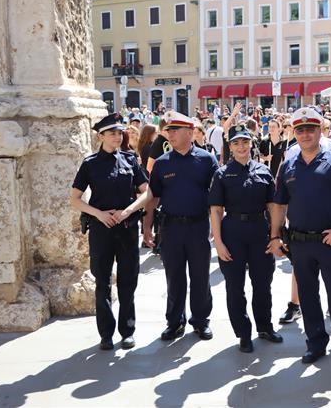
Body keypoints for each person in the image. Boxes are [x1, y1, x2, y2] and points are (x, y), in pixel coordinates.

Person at [267, 107, 331, 369]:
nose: (306, 134)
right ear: (294, 133)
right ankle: (316, 343)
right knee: (308, 297)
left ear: (320, 131)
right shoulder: (288, 165)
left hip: (329, 240)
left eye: (311, 129)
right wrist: (275, 236)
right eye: (300, 130)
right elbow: (279, 205)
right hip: (299, 243)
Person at [69, 113, 148, 351]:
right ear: (101, 136)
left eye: (119, 132)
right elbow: (75, 199)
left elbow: (146, 191)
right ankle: (106, 334)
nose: (117, 136)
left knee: (128, 281)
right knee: (102, 282)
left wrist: (128, 210)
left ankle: (127, 331)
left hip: (126, 228)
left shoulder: (130, 159)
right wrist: (98, 214)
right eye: (112, 133)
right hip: (101, 229)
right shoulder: (90, 163)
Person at [142, 111, 219, 342]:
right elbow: (152, 198)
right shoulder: (163, 163)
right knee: (174, 277)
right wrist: (146, 228)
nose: (170, 135)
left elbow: (216, 198)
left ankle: (201, 321)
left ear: (190, 132)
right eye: (168, 131)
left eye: (175, 130)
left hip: (197, 226)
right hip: (171, 228)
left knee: (200, 276)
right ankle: (174, 322)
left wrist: (217, 226)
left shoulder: (206, 160)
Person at [209, 124, 283, 353]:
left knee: (263, 283)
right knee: (235, 286)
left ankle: (265, 326)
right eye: (236, 143)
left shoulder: (263, 171)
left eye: (245, 141)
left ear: (251, 143)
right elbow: (216, 210)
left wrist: (275, 236)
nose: (241, 147)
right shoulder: (221, 174)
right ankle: (243, 333)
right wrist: (218, 243)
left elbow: (273, 206)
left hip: (260, 231)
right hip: (233, 233)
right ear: (230, 147)